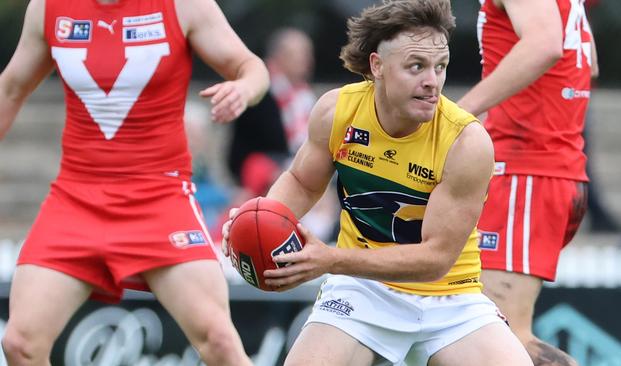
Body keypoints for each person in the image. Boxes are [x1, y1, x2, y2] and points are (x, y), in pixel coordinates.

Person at [223, 0, 533, 365]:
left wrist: (331, 259)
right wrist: (259, 219)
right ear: (377, 65)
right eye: (416, 66)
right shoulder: (336, 110)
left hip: (450, 297)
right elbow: (303, 183)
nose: (432, 81)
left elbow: (435, 259)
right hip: (362, 291)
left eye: (440, 66)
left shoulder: (466, 141)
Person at [0, 0, 269, 364]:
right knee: (20, 342)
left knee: (218, 339)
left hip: (160, 198)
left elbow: (252, 68)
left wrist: (243, 90)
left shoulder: (183, 5)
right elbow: (11, 88)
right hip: (76, 198)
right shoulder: (48, 7)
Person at [456, 0, 596, 365]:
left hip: (527, 172)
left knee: (501, 338)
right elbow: (587, 63)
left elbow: (546, 44)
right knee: (473, 334)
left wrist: (458, 115)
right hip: (543, 171)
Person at [266, 27, 317, 153]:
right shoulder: (266, 92)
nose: (306, 60)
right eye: (298, 54)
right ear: (279, 57)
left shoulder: (306, 95)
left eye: (307, 54)